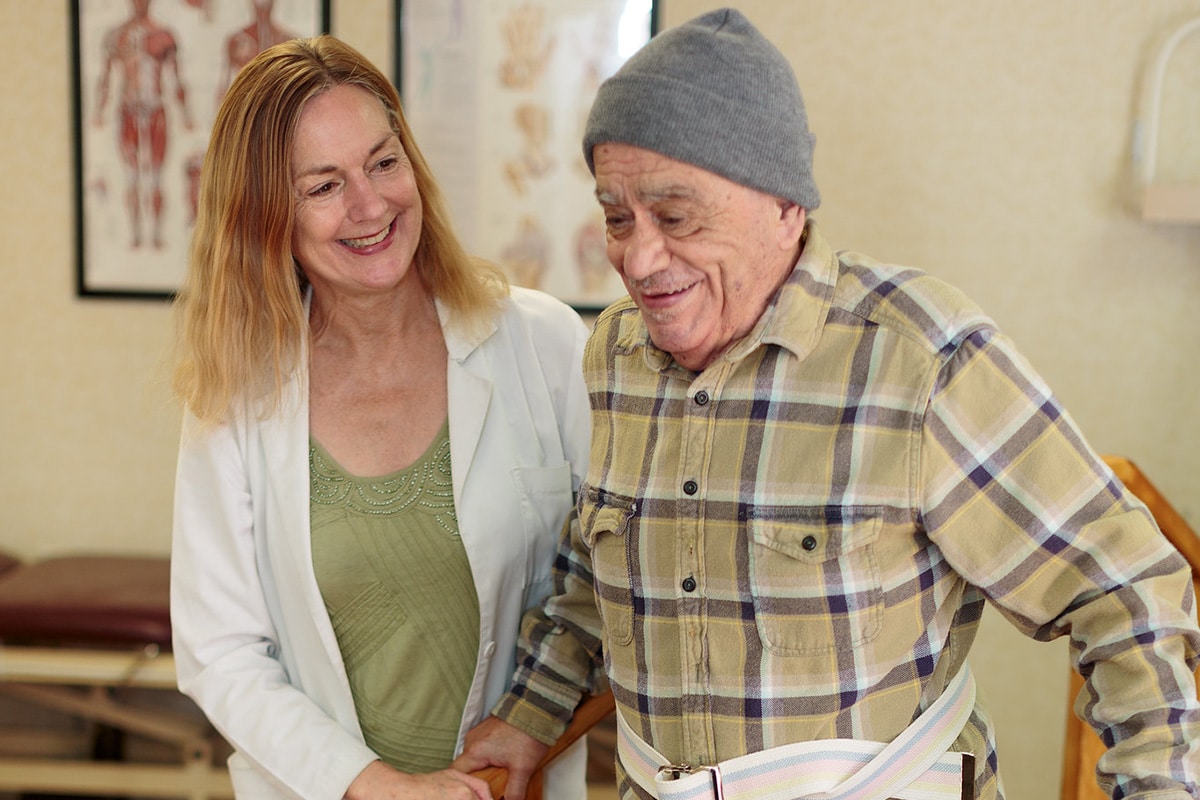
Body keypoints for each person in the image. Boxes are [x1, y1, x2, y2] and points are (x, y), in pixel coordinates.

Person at [454, 8, 1200, 800]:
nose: (637, 257)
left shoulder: (918, 359)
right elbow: (596, 583)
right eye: (615, 216)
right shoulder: (615, 357)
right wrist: (530, 715)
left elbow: (1126, 592)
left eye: (676, 217)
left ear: (785, 207)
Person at [169, 35, 590, 800]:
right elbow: (221, 652)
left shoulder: (545, 344)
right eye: (322, 186)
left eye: (383, 162)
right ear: (266, 216)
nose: (371, 206)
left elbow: (607, 575)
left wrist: (534, 720)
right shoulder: (235, 399)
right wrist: (372, 785)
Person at [92, 0, 193, 249]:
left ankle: (156, 235)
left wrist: (186, 116)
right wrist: (98, 111)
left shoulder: (164, 35)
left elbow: (176, 78)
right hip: (128, 112)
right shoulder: (117, 35)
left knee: (156, 178)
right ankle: (136, 235)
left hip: (156, 110)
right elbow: (106, 78)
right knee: (133, 177)